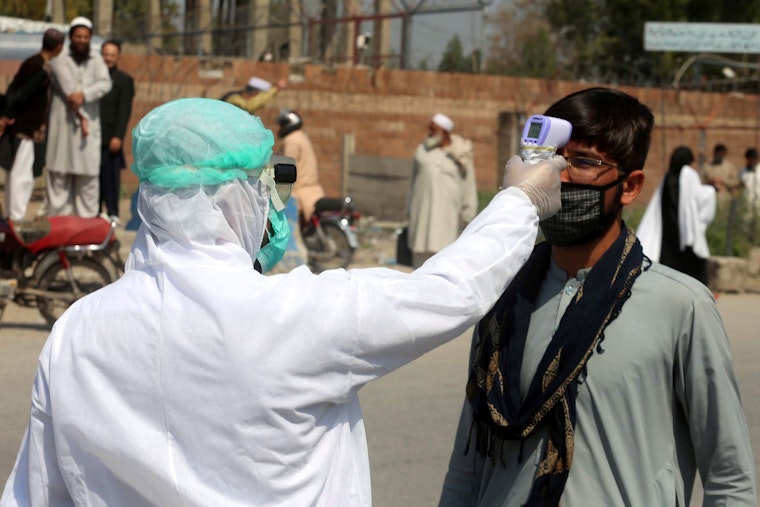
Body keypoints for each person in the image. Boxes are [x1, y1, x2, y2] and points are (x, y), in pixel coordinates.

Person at [0, 97, 565, 505]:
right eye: (265, 188)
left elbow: (33, 492)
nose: (271, 207)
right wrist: (519, 201)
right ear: (233, 201)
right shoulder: (296, 317)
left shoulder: (77, 331)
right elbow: (447, 290)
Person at [439, 88, 756, 507]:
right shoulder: (503, 297)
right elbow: (469, 461)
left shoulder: (682, 306)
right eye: (551, 159)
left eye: (583, 162)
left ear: (630, 187)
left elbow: (730, 480)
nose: (560, 176)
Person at [44, 16, 111, 218]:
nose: (81, 40)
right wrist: (75, 95)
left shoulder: (96, 60)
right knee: (58, 177)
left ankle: (86, 232)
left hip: (86, 129)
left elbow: (105, 83)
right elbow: (65, 86)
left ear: (90, 38)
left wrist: (84, 95)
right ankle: (58, 230)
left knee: (88, 179)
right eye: (78, 36)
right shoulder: (59, 58)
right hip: (63, 126)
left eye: (85, 36)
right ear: (71, 37)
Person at [0, 29, 64, 221]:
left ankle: (12, 214)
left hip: (20, 126)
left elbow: (13, 88)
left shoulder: (31, 62)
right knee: (22, 174)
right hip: (25, 128)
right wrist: (8, 115)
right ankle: (16, 216)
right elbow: (22, 93)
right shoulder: (41, 68)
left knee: (16, 173)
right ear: (59, 47)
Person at [406, 113, 478, 268]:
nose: (429, 132)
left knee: (443, 264)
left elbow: (469, 185)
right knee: (419, 267)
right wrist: (408, 210)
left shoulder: (461, 154)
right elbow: (413, 183)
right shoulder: (422, 151)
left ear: (444, 132)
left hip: (447, 221)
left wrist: (468, 213)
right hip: (421, 220)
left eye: (433, 129)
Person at [637, 146, 716, 286]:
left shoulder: (668, 176)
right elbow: (698, 197)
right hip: (685, 232)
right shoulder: (689, 174)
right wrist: (711, 190)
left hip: (669, 229)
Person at [98, 39, 135, 223]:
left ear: (117, 57)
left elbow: (124, 110)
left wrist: (118, 136)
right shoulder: (93, 78)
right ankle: (95, 212)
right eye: (105, 54)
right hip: (92, 138)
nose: (108, 58)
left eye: (112, 55)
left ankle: (113, 213)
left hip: (111, 138)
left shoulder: (124, 81)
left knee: (111, 177)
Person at [276, 108, 324, 220]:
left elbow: (286, 168)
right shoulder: (301, 137)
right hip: (313, 192)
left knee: (286, 229)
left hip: (298, 194)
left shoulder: (291, 140)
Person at [221, 75, 286, 114]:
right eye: (259, 95)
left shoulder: (238, 97)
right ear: (254, 94)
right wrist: (276, 88)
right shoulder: (235, 99)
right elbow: (251, 105)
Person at [740, 147, 760, 229]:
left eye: (753, 159)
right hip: (747, 202)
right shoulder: (743, 171)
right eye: (750, 159)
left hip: (758, 202)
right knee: (746, 223)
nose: (752, 162)